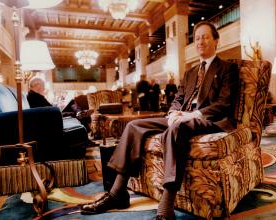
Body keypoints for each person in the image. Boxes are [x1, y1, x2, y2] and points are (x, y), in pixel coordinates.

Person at [80, 21, 239, 220]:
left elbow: (224, 103)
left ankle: (166, 207)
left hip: (209, 119)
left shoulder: (227, 68)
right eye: (197, 38)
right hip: (182, 117)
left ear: (216, 40)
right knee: (134, 126)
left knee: (177, 129)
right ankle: (117, 192)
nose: (200, 41)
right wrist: (173, 113)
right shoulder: (190, 73)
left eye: (205, 37)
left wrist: (190, 115)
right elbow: (178, 99)